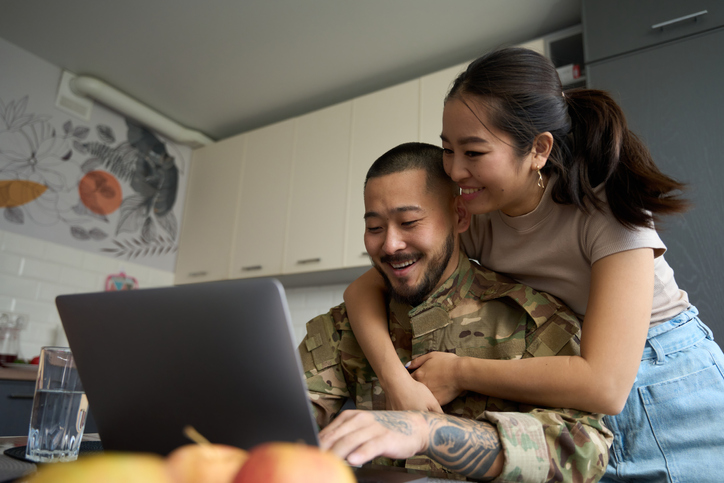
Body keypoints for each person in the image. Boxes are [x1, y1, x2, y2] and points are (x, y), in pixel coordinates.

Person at [343, 48, 724, 482]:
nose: (455, 170)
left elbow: (605, 384)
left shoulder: (607, 203)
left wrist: (459, 370)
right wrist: (398, 382)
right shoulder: (476, 213)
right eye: (448, 149)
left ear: (539, 149)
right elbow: (363, 290)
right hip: (562, 386)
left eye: (474, 152)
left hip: (662, 379)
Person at [301, 142, 612, 482]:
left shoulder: (532, 320)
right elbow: (286, 420)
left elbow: (583, 451)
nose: (389, 245)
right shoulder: (341, 328)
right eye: (374, 228)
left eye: (409, 222)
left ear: (460, 216)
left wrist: (433, 432)